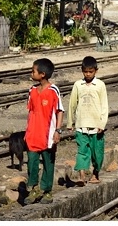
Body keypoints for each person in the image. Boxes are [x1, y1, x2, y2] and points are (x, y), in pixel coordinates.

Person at [24, 58, 64, 204]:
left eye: (33, 70)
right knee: (32, 162)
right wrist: (27, 131)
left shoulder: (54, 91)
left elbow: (60, 111)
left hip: (48, 134)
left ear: (42, 74)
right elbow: (31, 112)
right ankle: (33, 188)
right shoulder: (32, 90)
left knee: (48, 162)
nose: (31, 73)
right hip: (33, 133)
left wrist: (58, 130)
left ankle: (47, 191)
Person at [67, 56, 109, 186]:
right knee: (82, 152)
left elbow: (104, 106)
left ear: (96, 71)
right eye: (85, 71)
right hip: (81, 125)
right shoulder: (78, 85)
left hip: (96, 126)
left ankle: (95, 173)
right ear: (82, 71)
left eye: (91, 71)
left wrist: (102, 123)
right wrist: (70, 122)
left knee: (97, 154)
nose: (88, 74)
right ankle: (82, 176)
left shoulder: (100, 85)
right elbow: (72, 104)